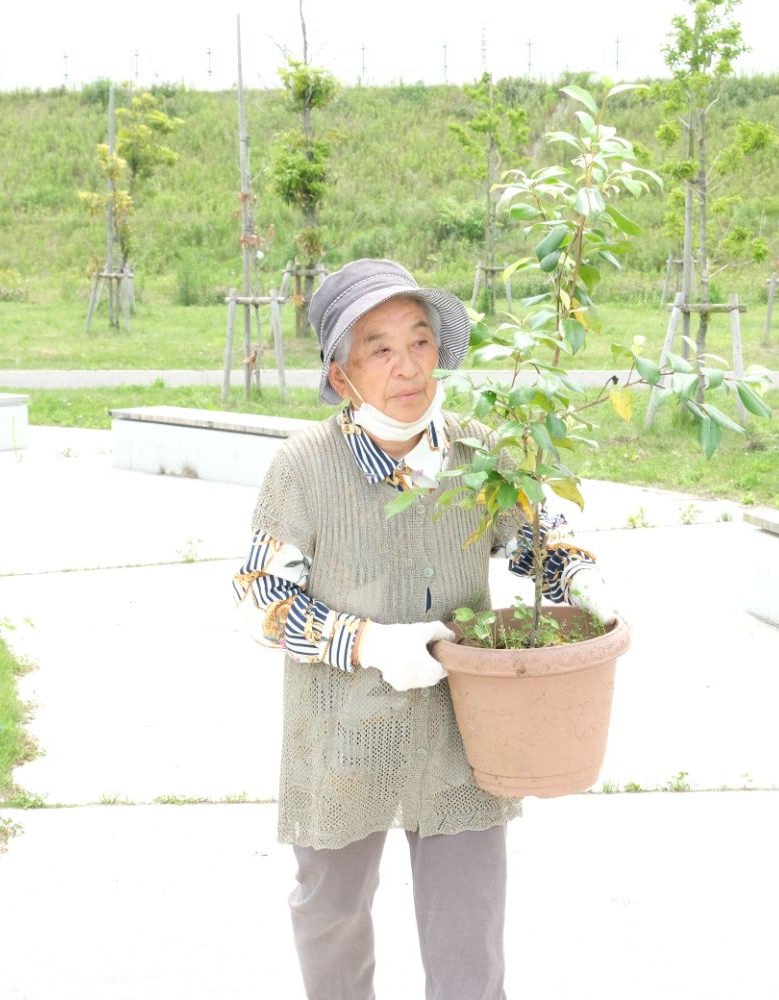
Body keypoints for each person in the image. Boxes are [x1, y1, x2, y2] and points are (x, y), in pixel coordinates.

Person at [230, 258, 615, 1000]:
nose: (408, 366)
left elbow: (539, 539)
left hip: (462, 733)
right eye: (378, 348)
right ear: (341, 376)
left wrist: (576, 575)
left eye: (420, 340)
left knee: (469, 939)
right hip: (341, 734)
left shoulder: (476, 454)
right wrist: (370, 642)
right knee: (331, 917)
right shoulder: (304, 469)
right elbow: (258, 596)